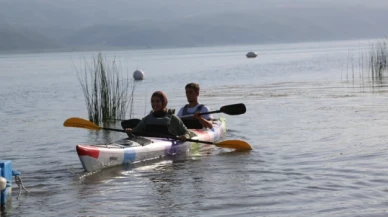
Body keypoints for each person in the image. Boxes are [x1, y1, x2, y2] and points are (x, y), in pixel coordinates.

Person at [125, 91, 190, 141]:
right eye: (152, 101)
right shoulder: (147, 118)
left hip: (165, 146)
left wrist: (185, 136)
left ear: (163, 102)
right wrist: (129, 132)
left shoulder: (173, 118)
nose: (154, 104)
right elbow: (135, 133)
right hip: (148, 144)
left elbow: (187, 133)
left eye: (157, 101)